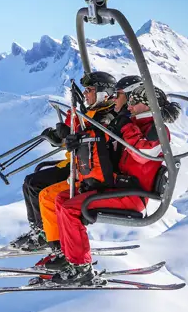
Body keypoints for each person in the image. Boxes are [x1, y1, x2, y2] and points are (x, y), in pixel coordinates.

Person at [39, 84, 181, 286]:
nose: (129, 106)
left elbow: (143, 154)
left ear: (147, 105)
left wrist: (125, 126)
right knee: (62, 199)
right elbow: (104, 150)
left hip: (132, 194)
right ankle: (68, 255)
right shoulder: (134, 125)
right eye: (129, 101)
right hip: (118, 187)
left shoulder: (156, 129)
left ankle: (81, 268)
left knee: (71, 208)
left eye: (134, 102)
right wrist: (78, 142)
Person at [10, 71, 117, 251]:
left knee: (37, 186)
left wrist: (71, 136)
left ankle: (45, 233)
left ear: (102, 93)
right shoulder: (91, 111)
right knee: (30, 182)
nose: (85, 94)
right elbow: (74, 133)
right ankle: (39, 230)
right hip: (77, 163)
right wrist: (59, 136)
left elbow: (95, 138)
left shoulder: (106, 116)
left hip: (87, 168)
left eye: (89, 90)